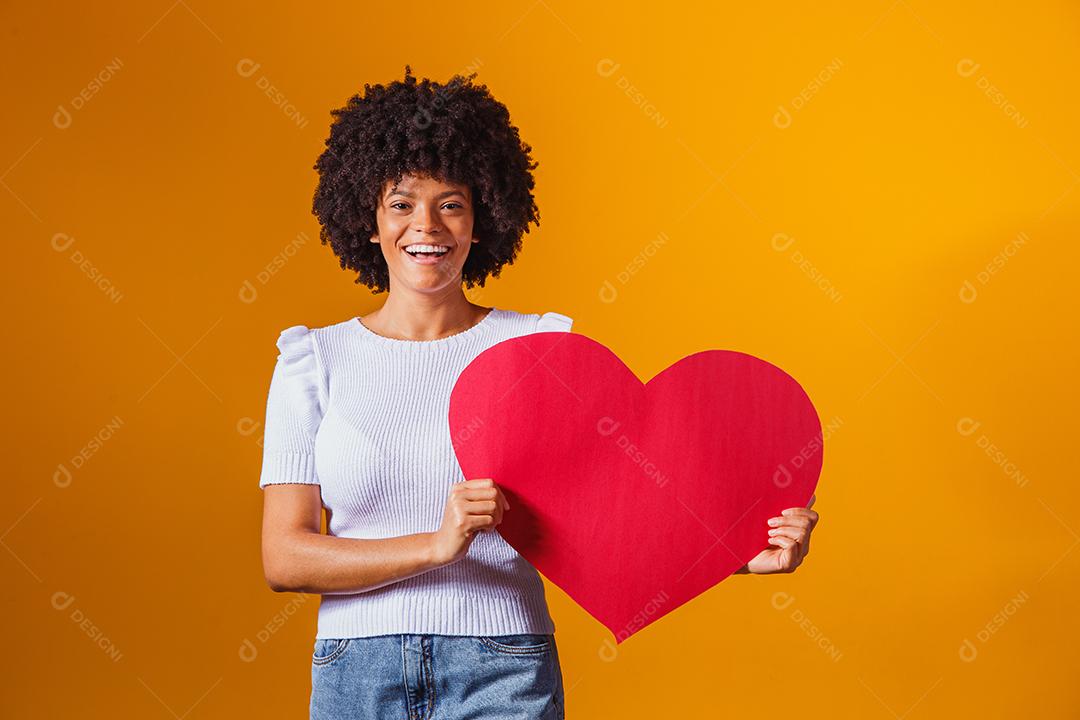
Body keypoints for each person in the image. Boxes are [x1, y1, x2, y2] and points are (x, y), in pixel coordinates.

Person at [257, 65, 819, 720]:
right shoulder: (312, 360)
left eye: (452, 204)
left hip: (501, 665)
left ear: (483, 217)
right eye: (403, 203)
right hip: (356, 672)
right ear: (368, 218)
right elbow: (285, 556)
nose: (427, 226)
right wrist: (436, 545)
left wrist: (745, 554)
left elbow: (622, 517)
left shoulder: (537, 352)